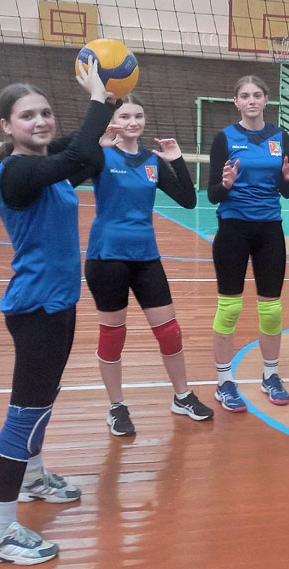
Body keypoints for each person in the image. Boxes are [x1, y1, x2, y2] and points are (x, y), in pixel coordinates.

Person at [0, 60, 113, 565]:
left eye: (45, 113)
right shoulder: (18, 172)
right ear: (6, 127)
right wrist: (96, 97)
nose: (40, 121)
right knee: (23, 417)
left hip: (59, 303)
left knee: (44, 400)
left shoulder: (46, 161)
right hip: (35, 308)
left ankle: (32, 478)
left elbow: (86, 154)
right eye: (27, 115)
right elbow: (78, 152)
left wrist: (112, 99)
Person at [80, 94, 213, 436]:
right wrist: (95, 146)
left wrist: (177, 159)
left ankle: (182, 396)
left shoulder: (151, 161)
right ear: (113, 121)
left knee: (169, 331)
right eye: (125, 116)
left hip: (146, 257)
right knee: (113, 335)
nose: (132, 122)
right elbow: (70, 175)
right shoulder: (101, 155)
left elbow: (188, 200)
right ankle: (116, 406)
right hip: (107, 257)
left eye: (138, 116)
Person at [207, 75, 289, 412]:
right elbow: (213, 194)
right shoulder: (225, 138)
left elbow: (286, 191)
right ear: (236, 101)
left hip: (269, 230)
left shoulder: (280, 136)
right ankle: (224, 382)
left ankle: (270, 376)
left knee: (271, 310)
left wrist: (287, 179)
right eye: (245, 95)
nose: (251, 101)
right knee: (230, 308)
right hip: (233, 228)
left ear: (266, 99)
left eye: (257, 95)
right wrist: (226, 185)